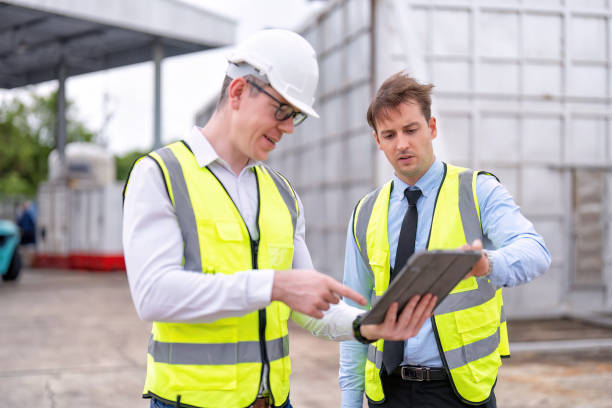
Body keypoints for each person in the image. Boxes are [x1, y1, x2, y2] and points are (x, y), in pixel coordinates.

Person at [123, 30, 436, 408]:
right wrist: (273, 286)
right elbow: (153, 295)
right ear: (237, 92)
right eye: (282, 111)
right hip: (189, 402)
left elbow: (311, 305)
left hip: (275, 401)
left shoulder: (282, 193)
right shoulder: (161, 175)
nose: (288, 127)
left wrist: (366, 324)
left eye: (296, 117)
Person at [339, 71, 551, 408]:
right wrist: (349, 401)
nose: (402, 144)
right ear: (377, 141)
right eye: (389, 134)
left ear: (432, 128)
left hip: (458, 392)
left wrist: (487, 265)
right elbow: (354, 312)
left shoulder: (477, 190)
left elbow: (536, 251)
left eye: (411, 130)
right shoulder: (365, 212)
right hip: (384, 392)